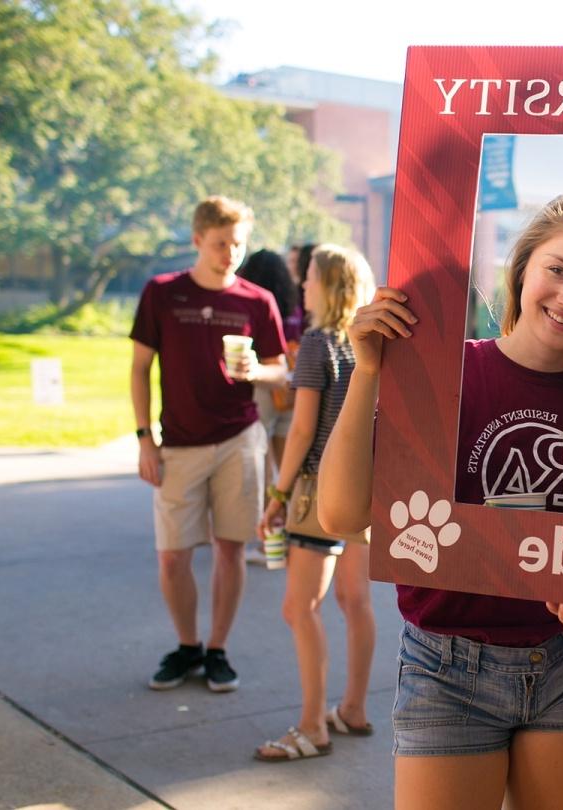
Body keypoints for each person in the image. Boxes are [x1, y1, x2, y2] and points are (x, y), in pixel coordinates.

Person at [318, 194, 563, 810]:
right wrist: (368, 371)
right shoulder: (443, 374)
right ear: (523, 269)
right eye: (556, 270)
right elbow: (342, 517)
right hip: (448, 662)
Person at [130, 195, 288, 693]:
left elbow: (281, 368)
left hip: (239, 437)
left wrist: (257, 370)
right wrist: (144, 440)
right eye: (221, 244)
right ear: (197, 240)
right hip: (176, 442)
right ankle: (186, 645)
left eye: (238, 244)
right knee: (173, 554)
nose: (230, 254)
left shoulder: (256, 301)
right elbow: (139, 369)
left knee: (230, 549)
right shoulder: (162, 293)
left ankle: (218, 648)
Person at [253, 244, 377, 762]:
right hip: (366, 488)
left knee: (299, 607)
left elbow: (302, 429)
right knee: (355, 603)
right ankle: (352, 709)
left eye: (307, 279)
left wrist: (277, 496)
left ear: (329, 285)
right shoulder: (371, 345)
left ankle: (311, 727)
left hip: (317, 489)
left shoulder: (317, 344)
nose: (301, 287)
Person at [237, 248, 301, 472]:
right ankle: (283, 502)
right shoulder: (295, 306)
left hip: (262, 382)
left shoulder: (253, 305)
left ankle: (267, 505)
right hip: (292, 384)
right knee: (288, 466)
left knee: (258, 459)